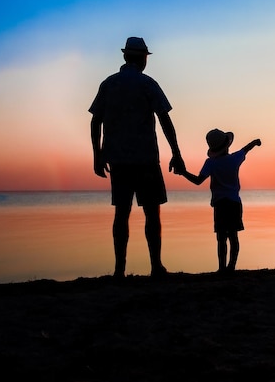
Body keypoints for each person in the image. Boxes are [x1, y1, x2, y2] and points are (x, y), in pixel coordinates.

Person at [89, 36, 185, 279]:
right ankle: (156, 266)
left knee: (121, 214)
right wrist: (176, 152)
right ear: (142, 58)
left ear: (124, 56)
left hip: (118, 159)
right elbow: (165, 119)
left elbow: (95, 121)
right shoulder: (147, 83)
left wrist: (97, 155)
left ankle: (119, 269)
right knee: (152, 214)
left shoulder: (109, 84)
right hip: (146, 160)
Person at [176, 128, 261, 274]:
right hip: (234, 203)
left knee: (221, 237)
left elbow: (197, 181)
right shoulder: (234, 159)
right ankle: (231, 266)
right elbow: (245, 150)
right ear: (227, 145)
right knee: (233, 236)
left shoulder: (211, 163)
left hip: (220, 204)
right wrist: (255, 142)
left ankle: (222, 267)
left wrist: (183, 172)